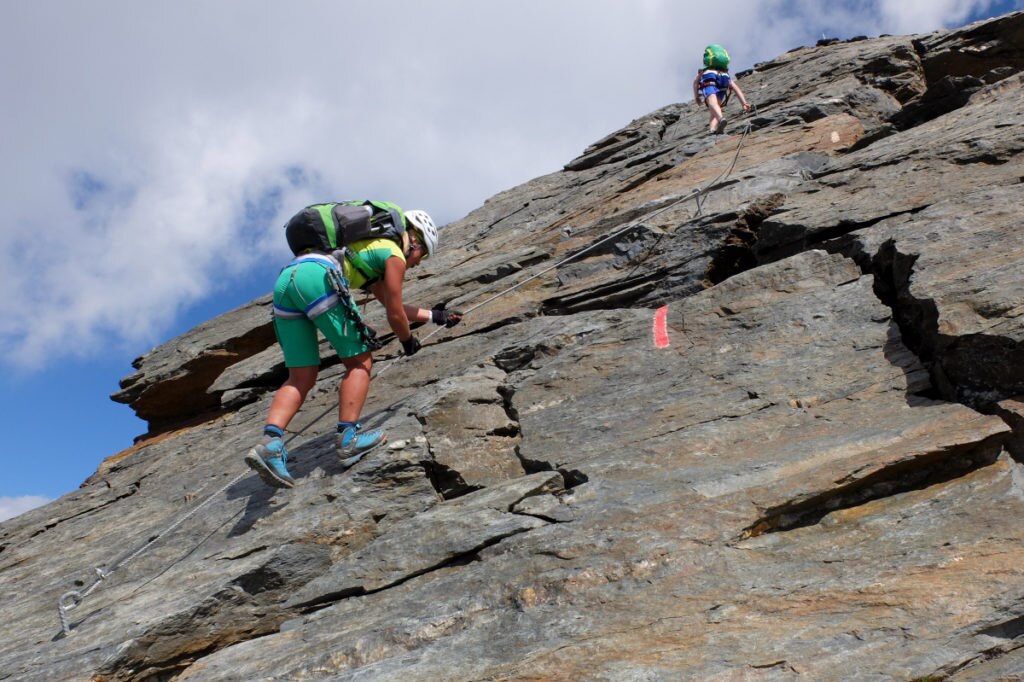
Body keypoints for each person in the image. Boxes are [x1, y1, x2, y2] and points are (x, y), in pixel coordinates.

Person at [244, 202, 463, 489]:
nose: (418, 263)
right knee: (360, 361)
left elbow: (390, 303)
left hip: (288, 281)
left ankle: (270, 444)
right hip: (318, 278)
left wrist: (436, 316)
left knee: (301, 375)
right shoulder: (394, 254)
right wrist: (407, 341)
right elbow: (394, 313)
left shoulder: (364, 250)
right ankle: (348, 439)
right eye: (422, 255)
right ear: (414, 240)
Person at [692, 44, 751, 135]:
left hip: (709, 80)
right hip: (723, 81)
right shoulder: (724, 72)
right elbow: (736, 88)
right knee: (715, 108)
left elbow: (695, 82)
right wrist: (744, 103)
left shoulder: (704, 71)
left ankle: (721, 119)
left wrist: (696, 96)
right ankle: (712, 129)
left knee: (712, 102)